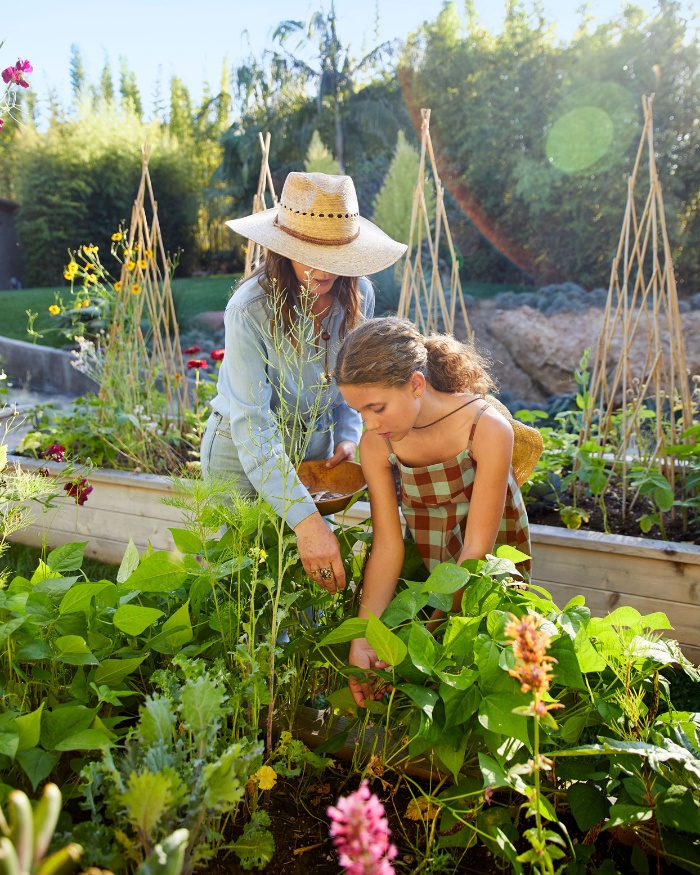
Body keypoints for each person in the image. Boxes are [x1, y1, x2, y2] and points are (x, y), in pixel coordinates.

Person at [201, 172, 406, 594]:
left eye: (332, 253)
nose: (321, 268)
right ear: (283, 248)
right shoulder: (250, 309)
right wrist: (307, 522)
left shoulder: (358, 295)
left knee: (311, 583)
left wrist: (348, 437)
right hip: (241, 456)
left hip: (316, 455)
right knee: (243, 588)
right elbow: (253, 425)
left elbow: (354, 379)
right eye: (307, 252)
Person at [334, 316, 542, 707]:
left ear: (415, 384)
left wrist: (427, 638)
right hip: (431, 558)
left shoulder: (486, 428)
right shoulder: (379, 443)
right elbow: (388, 547)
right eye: (359, 412)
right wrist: (366, 635)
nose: (370, 423)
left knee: (488, 662)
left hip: (488, 568)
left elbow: (477, 550)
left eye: (376, 408)